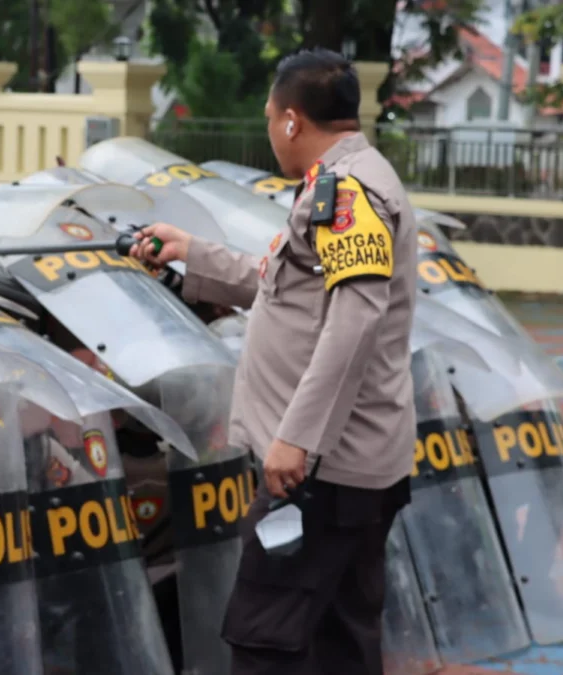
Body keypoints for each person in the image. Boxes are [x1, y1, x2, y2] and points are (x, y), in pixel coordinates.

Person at [130, 47, 416, 674]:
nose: (270, 131)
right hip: (348, 465)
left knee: (265, 638)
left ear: (291, 121)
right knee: (341, 639)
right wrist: (191, 251)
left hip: (323, 470)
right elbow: (287, 285)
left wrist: (296, 438)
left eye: (269, 118)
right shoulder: (343, 183)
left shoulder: (349, 194)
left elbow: (355, 319)